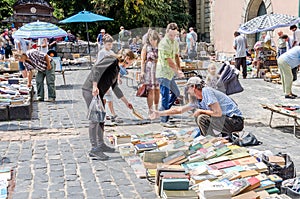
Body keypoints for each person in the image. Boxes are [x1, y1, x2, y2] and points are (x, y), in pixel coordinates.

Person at [82, 49, 136, 160]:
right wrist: (94, 86)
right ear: (127, 58)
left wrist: (126, 103)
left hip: (98, 93)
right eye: (131, 62)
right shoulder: (112, 60)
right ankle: (94, 149)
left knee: (101, 118)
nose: (129, 65)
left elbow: (115, 87)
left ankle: (101, 144)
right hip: (90, 90)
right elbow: (96, 69)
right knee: (95, 119)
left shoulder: (116, 68)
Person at [150, 76, 244, 137]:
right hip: (225, 120)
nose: (187, 91)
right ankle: (212, 137)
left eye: (188, 88)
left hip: (235, 121)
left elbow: (217, 113)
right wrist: (160, 113)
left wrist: (201, 111)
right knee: (198, 116)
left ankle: (210, 141)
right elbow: (179, 110)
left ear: (194, 87)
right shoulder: (197, 99)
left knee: (202, 118)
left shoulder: (207, 91)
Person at [156, 22, 184, 127]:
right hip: (163, 72)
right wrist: (177, 71)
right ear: (167, 32)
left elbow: (176, 56)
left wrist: (179, 68)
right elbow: (168, 60)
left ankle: (164, 111)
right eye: (171, 35)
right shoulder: (163, 43)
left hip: (170, 73)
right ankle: (164, 120)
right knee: (165, 96)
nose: (173, 37)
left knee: (176, 93)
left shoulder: (175, 42)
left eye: (175, 35)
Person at [95, 34, 120, 122]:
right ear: (104, 44)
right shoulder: (102, 53)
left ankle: (107, 113)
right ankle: (106, 113)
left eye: (111, 44)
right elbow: (99, 66)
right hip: (103, 78)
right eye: (108, 44)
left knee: (107, 97)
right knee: (105, 97)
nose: (110, 46)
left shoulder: (111, 52)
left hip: (109, 77)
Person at [140, 30, 160, 114]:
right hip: (149, 69)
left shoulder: (160, 46)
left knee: (157, 90)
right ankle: (150, 110)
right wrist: (142, 71)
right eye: (151, 40)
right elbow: (142, 60)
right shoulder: (146, 47)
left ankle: (156, 108)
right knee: (151, 90)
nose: (153, 42)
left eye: (154, 40)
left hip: (158, 68)